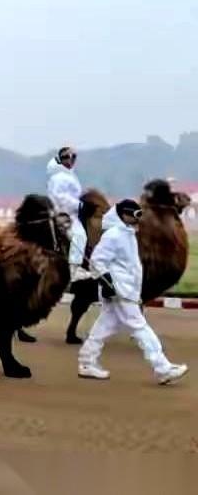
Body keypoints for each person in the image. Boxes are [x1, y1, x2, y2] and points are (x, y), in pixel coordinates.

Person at [78, 200, 188, 385]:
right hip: (120, 291)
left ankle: (87, 361)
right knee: (139, 327)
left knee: (105, 326)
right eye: (134, 215)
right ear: (123, 215)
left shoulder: (127, 234)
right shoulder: (114, 235)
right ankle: (163, 368)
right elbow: (97, 261)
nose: (137, 219)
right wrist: (108, 284)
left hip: (126, 289)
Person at [47, 146, 89, 279]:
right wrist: (80, 205)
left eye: (73, 156)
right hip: (64, 213)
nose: (70, 159)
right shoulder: (59, 177)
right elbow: (60, 197)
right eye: (66, 157)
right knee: (79, 235)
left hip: (72, 212)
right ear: (61, 159)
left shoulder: (69, 175)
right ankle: (73, 269)